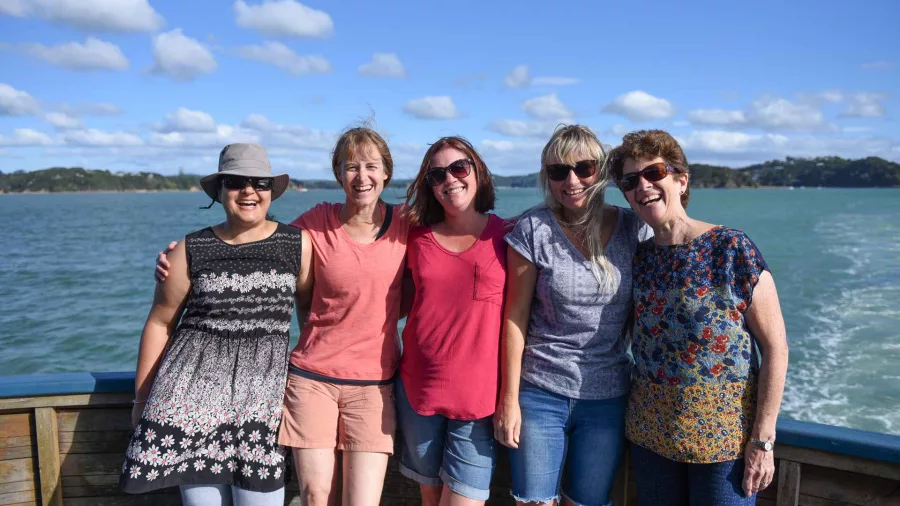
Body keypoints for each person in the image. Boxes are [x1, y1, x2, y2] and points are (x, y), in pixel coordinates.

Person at [155, 127, 410, 506]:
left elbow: (453, 248)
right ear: (338, 174)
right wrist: (182, 257)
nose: (362, 177)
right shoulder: (313, 223)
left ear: (386, 172)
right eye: (351, 167)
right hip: (312, 379)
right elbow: (257, 238)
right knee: (315, 494)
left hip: (375, 382)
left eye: (371, 166)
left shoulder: (408, 224)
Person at [120, 143, 310, 506]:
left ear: (272, 191)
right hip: (190, 400)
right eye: (237, 182)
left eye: (260, 182)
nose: (249, 191)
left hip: (263, 401)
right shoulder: (189, 248)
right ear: (221, 190)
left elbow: (312, 318)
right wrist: (141, 398)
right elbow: (159, 323)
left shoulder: (297, 244)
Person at [608, 129, 789, 504]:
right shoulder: (638, 258)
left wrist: (763, 440)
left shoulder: (731, 249)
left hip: (724, 443)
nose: (643, 186)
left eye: (654, 172)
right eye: (630, 180)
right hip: (651, 436)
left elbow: (776, 348)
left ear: (681, 179)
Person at [494, 124, 652, 506]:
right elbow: (514, 317)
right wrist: (508, 399)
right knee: (533, 502)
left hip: (608, 396)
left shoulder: (634, 229)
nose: (572, 180)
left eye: (584, 168)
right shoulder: (534, 230)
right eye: (558, 171)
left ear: (601, 170)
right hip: (540, 392)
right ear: (546, 177)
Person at [396, 136, 508, 506]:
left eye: (459, 168)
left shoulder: (509, 236)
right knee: (430, 500)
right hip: (418, 391)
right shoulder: (414, 237)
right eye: (437, 175)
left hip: (480, 400)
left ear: (478, 172)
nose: (450, 180)